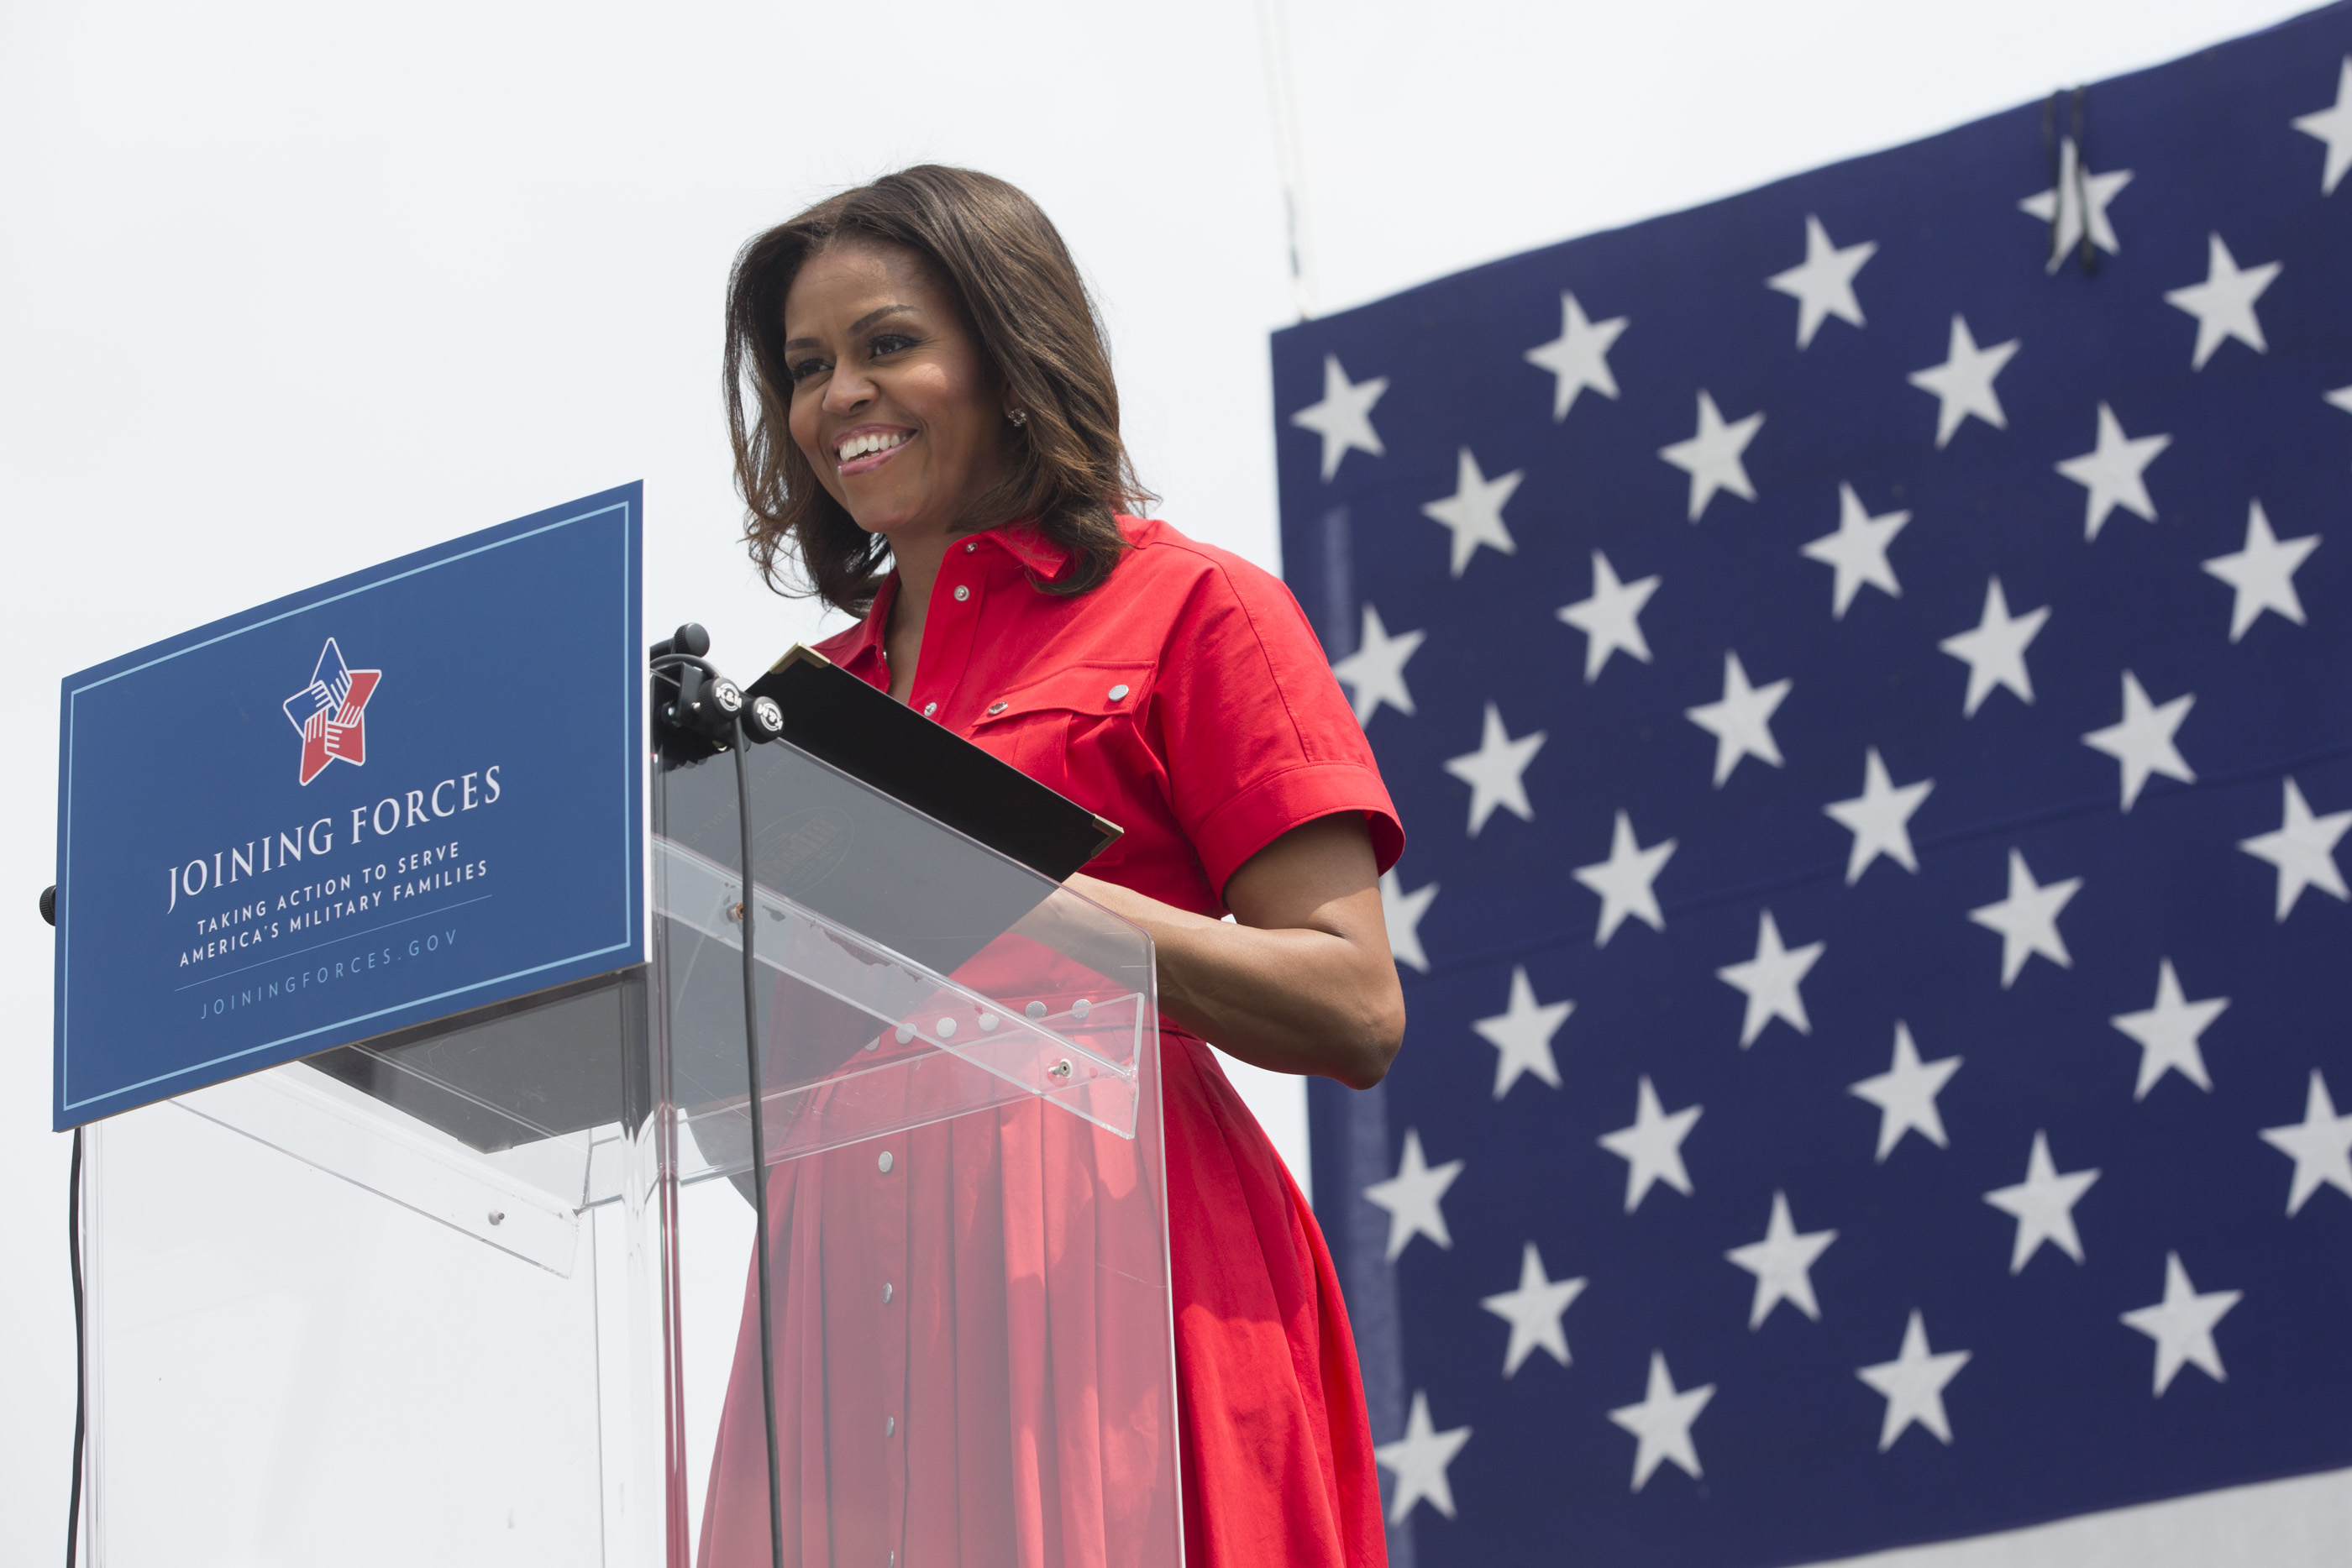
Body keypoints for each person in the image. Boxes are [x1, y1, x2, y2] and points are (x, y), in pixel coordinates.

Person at [703, 164, 1405, 1568]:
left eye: (889, 343)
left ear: (1013, 361)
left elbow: (1352, 1005)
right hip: (842, 1316)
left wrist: (1011, 886)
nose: (839, 392)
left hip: (1118, 1279)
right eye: (805, 365)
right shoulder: (798, 714)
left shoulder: (1198, 607)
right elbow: (746, 1109)